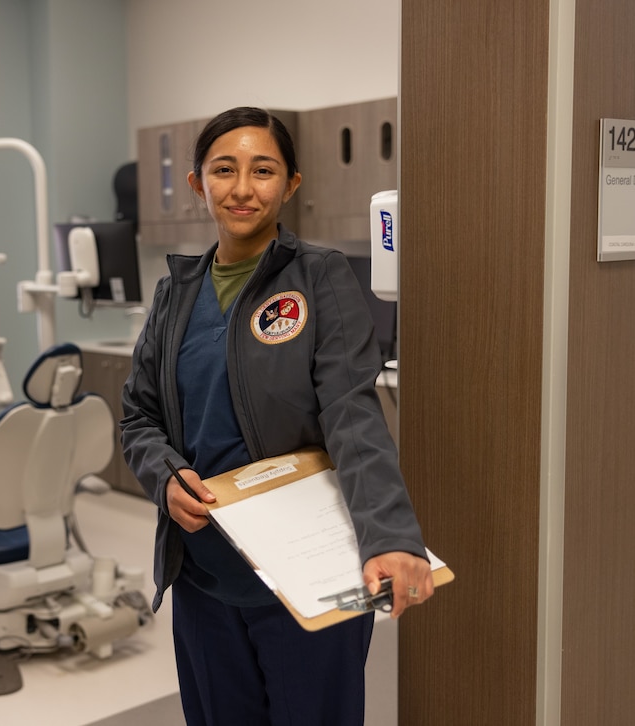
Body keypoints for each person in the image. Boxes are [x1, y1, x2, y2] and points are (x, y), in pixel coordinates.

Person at [120, 106, 433, 726]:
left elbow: (352, 415)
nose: (242, 188)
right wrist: (165, 475)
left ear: (291, 182)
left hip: (305, 577)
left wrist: (392, 536)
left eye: (263, 170)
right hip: (206, 575)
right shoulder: (175, 293)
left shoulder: (321, 278)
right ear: (197, 184)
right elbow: (138, 418)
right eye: (223, 170)